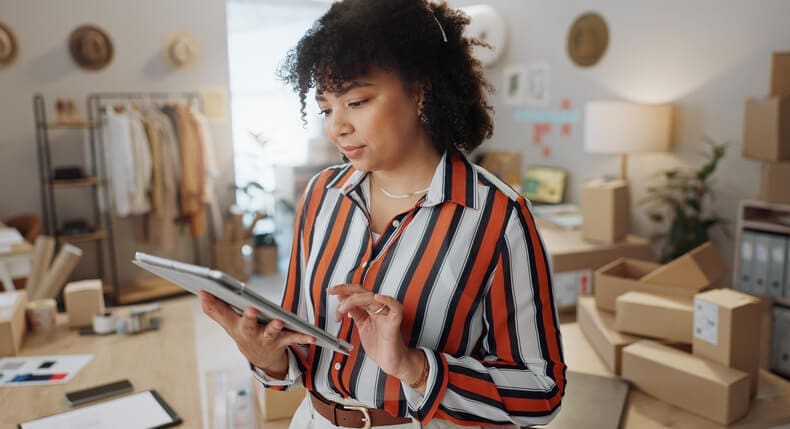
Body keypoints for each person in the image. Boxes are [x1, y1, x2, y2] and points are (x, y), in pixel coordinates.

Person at [200, 0, 566, 427]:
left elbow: (542, 392)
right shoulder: (322, 196)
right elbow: (298, 346)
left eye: (356, 102)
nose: (336, 126)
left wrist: (414, 366)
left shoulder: (498, 218)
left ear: (419, 90)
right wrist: (268, 358)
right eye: (325, 109)